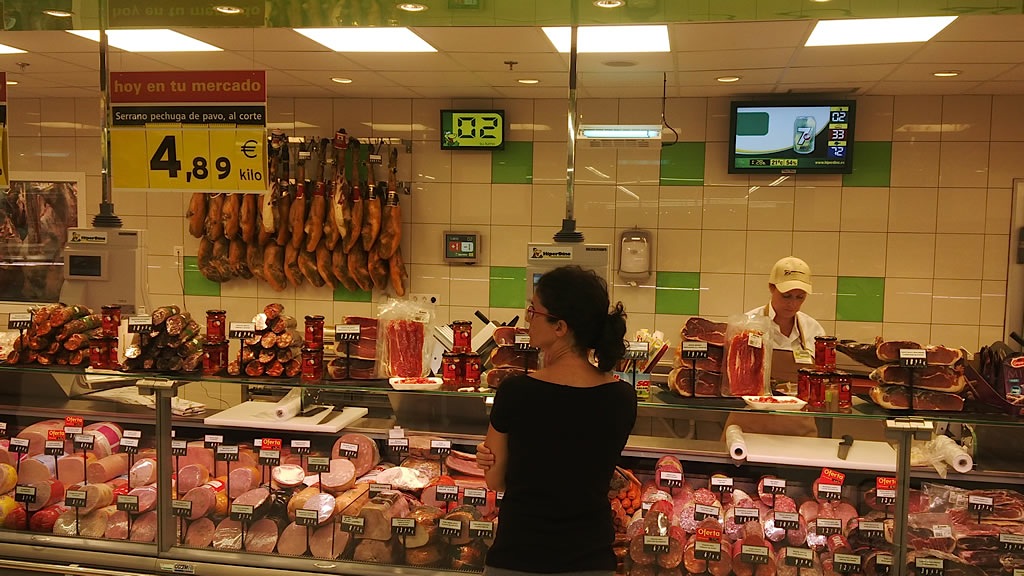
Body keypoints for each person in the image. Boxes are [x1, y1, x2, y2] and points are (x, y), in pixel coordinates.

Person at [475, 265, 637, 576]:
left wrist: (494, 460)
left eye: (533, 311)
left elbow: (495, 481)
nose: (528, 318)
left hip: (517, 557)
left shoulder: (516, 392)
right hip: (590, 560)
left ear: (560, 326)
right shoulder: (622, 397)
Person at [746, 256, 826, 359]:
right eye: (786, 296)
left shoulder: (813, 330)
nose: (793, 304)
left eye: (800, 297)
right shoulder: (748, 325)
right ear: (772, 287)